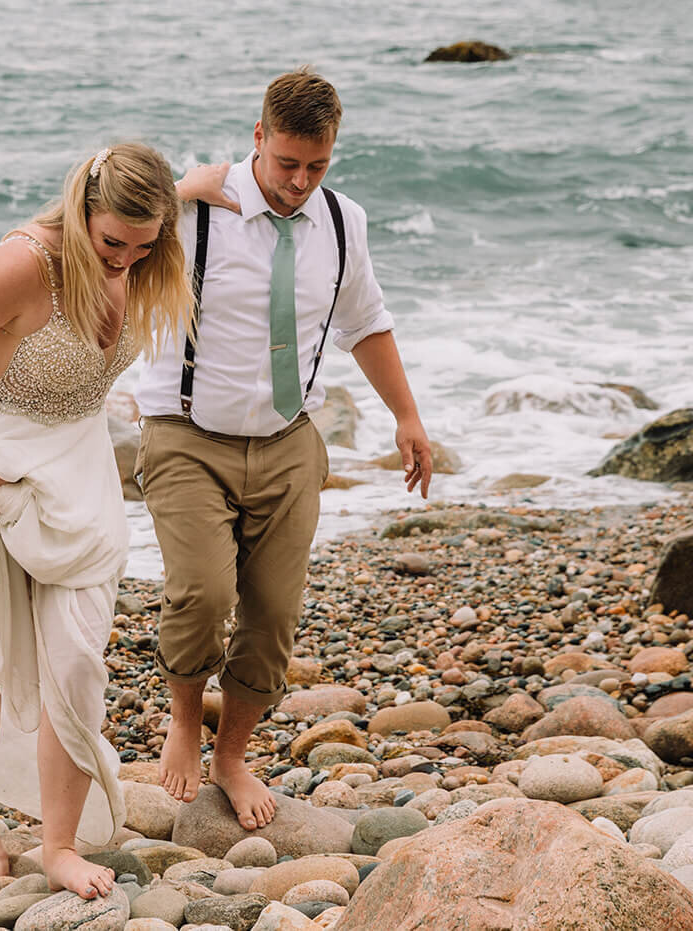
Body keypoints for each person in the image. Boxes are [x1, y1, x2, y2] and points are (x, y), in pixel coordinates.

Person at [0, 143, 192, 898]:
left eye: (144, 245)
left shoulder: (147, 250)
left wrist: (212, 185)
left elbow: (188, 193)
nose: (125, 259)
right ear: (83, 209)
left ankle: (58, 843)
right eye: (112, 241)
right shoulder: (25, 264)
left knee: (79, 655)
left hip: (78, 474)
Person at [135, 67, 433, 831]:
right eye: (287, 163)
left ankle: (231, 754)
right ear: (258, 138)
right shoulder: (197, 206)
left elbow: (366, 321)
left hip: (288, 441)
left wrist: (407, 416)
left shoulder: (343, 220)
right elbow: (94, 233)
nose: (300, 181)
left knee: (272, 618)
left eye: (318, 165)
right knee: (202, 593)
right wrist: (174, 191)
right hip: (186, 434)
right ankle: (181, 718)